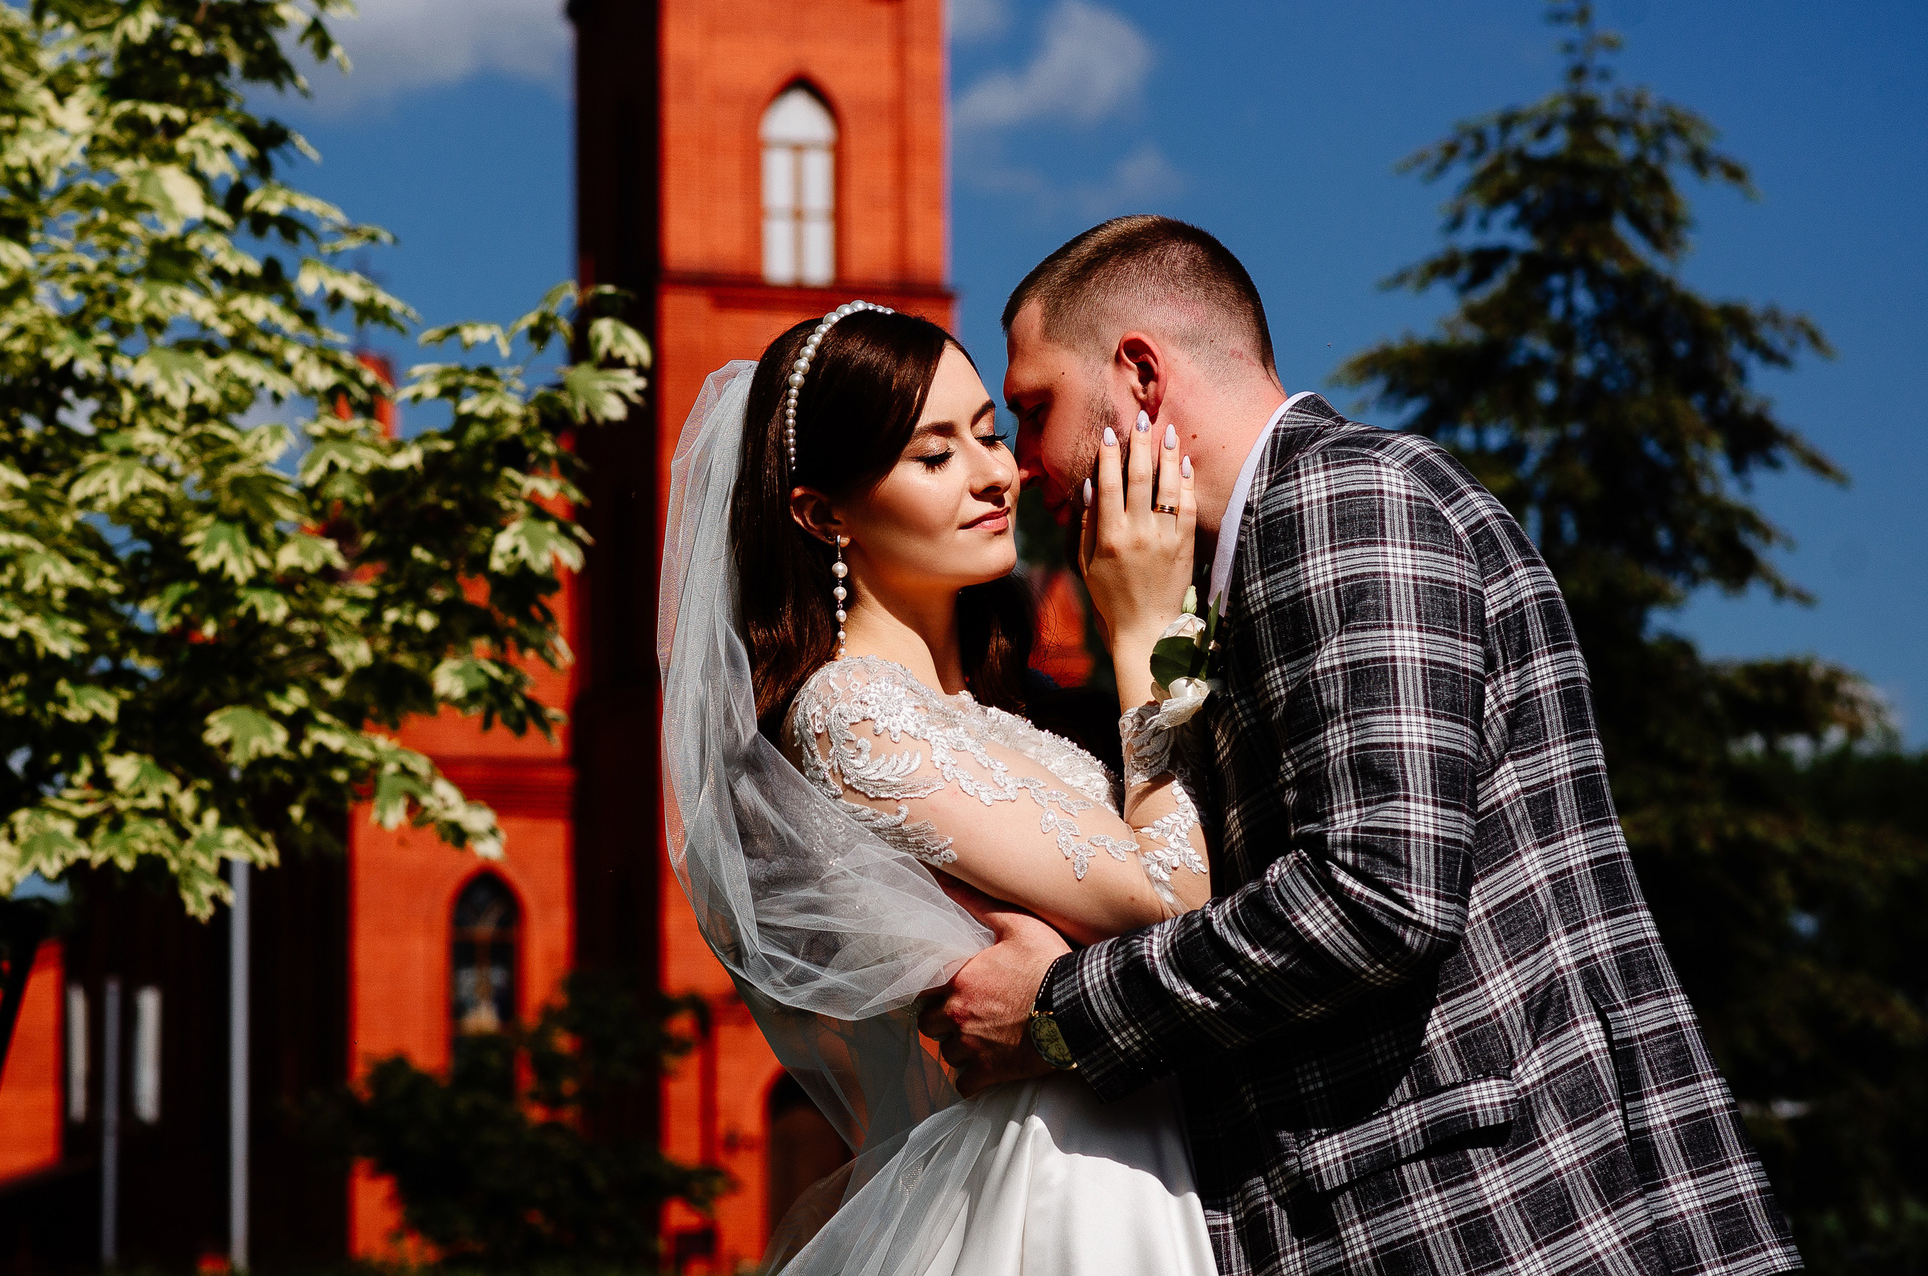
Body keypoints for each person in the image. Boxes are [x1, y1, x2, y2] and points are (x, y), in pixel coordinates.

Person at [923, 215, 1798, 1276]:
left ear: (1140, 376)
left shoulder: (1341, 499)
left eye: (1032, 409)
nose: (1023, 466)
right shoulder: (1257, 549)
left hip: (1523, 1222)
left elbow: (1379, 891)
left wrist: (1059, 1012)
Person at [660, 300, 1223, 1276]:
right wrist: (1143, 634)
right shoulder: (847, 714)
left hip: (1131, 1147)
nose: (994, 473)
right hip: (1053, 1179)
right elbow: (1171, 896)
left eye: (990, 434)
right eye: (933, 455)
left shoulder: (988, 710)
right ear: (823, 512)